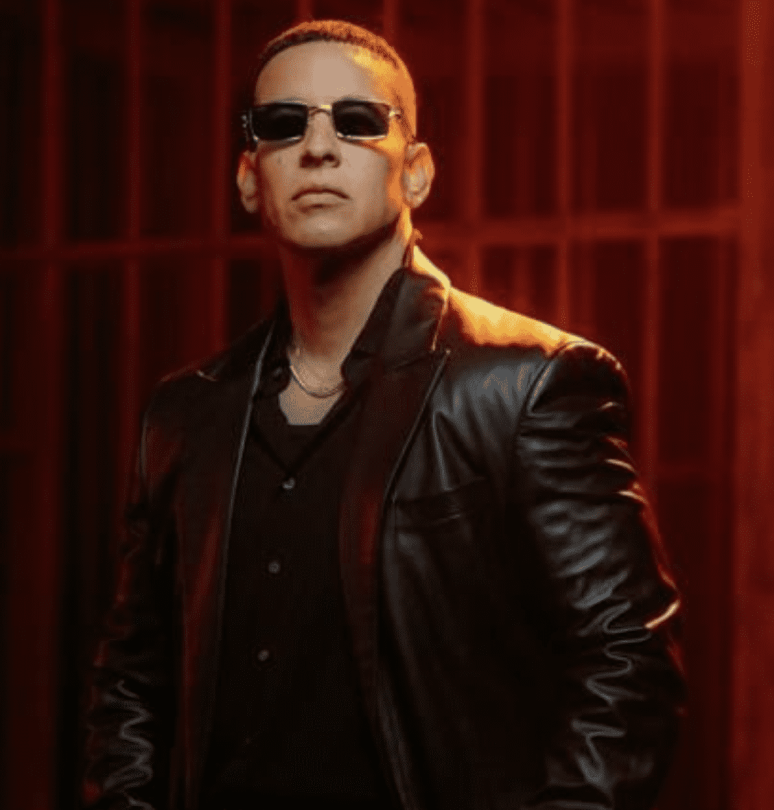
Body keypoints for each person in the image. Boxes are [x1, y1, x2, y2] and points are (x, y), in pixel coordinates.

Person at [84, 19, 684, 810]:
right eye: (283, 124)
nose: (318, 147)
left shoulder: (529, 385)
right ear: (249, 179)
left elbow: (628, 662)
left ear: (417, 172)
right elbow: (132, 680)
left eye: (358, 121)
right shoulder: (185, 416)